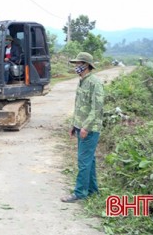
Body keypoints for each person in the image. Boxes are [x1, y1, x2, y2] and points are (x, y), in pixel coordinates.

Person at [61, 52, 104, 203]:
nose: (76, 67)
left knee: (83, 161)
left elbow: (96, 108)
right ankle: (93, 190)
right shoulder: (81, 81)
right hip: (81, 127)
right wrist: (74, 125)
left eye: (78, 64)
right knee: (89, 161)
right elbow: (79, 106)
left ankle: (79, 193)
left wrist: (85, 127)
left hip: (90, 129)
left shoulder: (94, 83)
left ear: (86, 65)